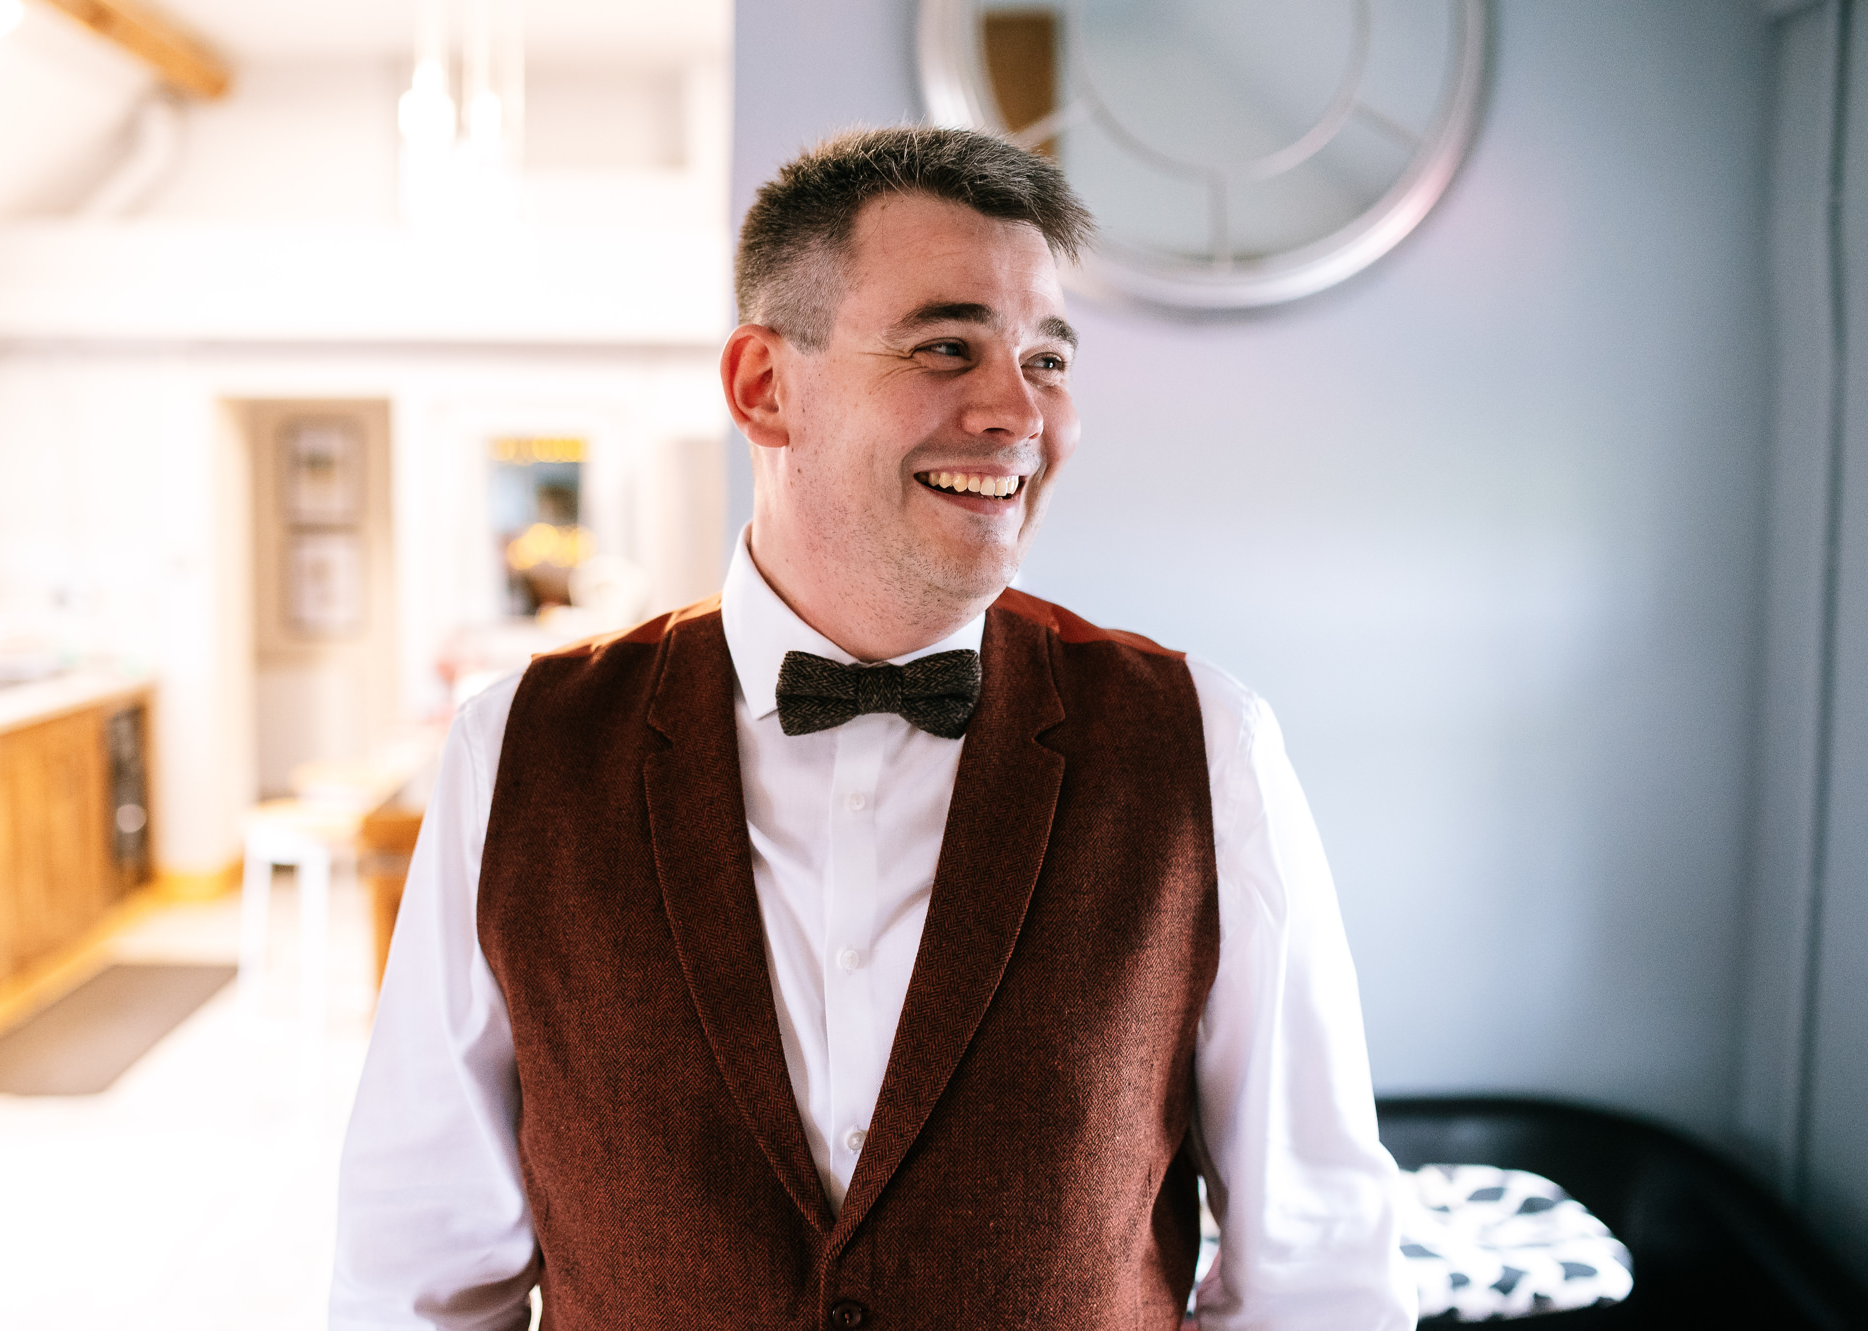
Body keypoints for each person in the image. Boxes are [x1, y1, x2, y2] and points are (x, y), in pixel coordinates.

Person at [331, 126, 1413, 1330]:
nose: (1017, 411)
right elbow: (415, 1275)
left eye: (1046, 359)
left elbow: (1320, 1276)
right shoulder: (517, 751)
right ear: (763, 387)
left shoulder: (1202, 744)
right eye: (945, 346)